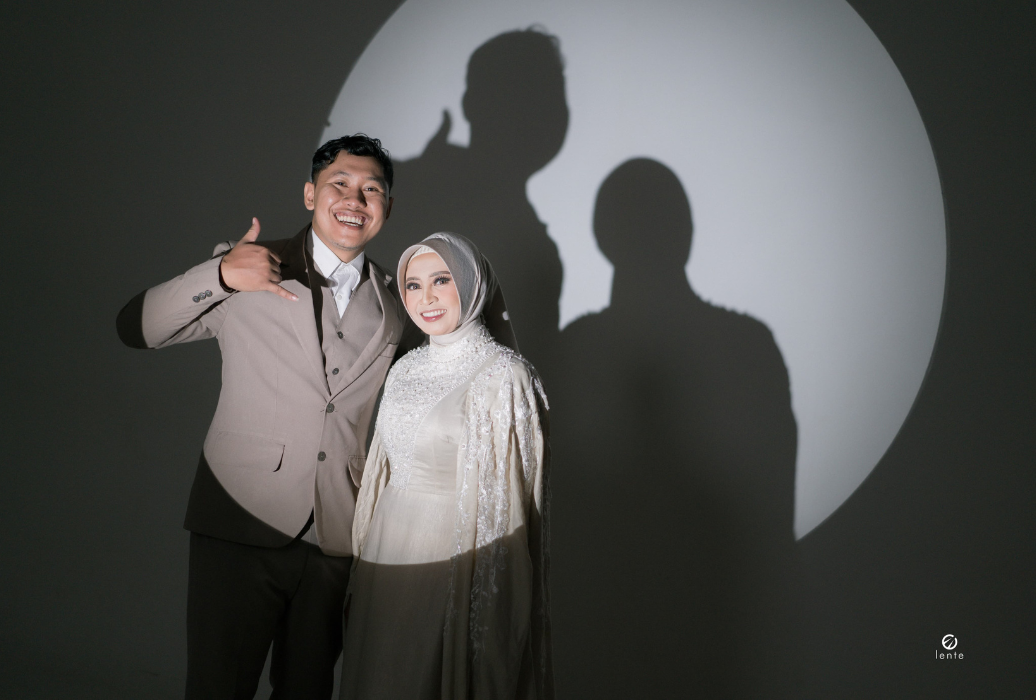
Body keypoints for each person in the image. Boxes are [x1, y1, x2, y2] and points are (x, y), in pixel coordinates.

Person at [116, 134, 419, 699]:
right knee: (218, 688)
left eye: (371, 190)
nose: (355, 200)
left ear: (387, 206)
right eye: (339, 184)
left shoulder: (400, 303)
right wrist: (220, 275)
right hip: (240, 521)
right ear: (310, 194)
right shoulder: (249, 265)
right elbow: (136, 327)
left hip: (336, 538)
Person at [339, 233, 553, 700]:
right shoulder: (404, 369)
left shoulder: (504, 375)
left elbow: (508, 512)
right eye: (413, 285)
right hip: (385, 552)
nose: (426, 298)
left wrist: (485, 610)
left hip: (453, 559)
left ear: (473, 284)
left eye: (442, 280)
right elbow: (381, 475)